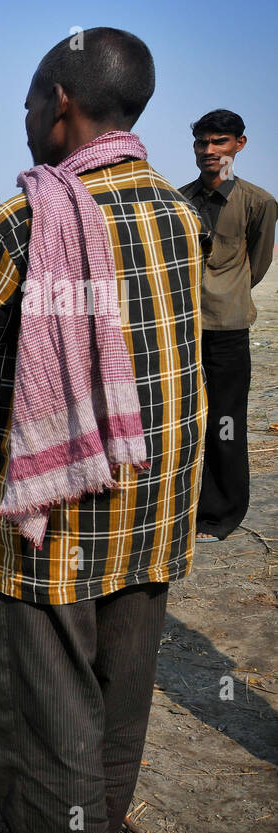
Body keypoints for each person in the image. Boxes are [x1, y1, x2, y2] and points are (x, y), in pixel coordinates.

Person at [0, 28, 206, 833]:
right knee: (120, 705)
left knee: (45, 716)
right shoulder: (179, 213)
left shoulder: (25, 219)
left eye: (26, 102)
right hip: (153, 503)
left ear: (60, 104)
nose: (21, 118)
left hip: (53, 516)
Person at [178, 110, 277, 541]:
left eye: (220, 142)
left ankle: (221, 515)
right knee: (179, 420)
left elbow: (257, 263)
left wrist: (228, 293)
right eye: (202, 142)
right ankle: (180, 507)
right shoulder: (177, 200)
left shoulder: (259, 202)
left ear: (240, 144)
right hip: (180, 329)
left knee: (225, 423)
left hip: (228, 331)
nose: (209, 151)